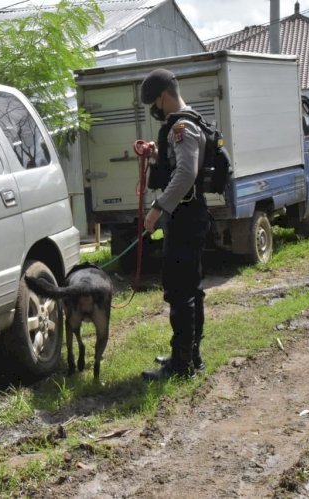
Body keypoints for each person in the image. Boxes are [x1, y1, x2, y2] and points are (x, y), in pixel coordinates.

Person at [139, 68, 210, 381]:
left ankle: (182, 365)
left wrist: (156, 209)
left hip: (184, 218)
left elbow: (185, 174)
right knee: (189, 290)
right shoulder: (189, 120)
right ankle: (188, 357)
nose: (153, 110)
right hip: (188, 216)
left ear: (162, 96)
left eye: (153, 103)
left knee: (181, 292)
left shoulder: (182, 126)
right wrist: (156, 154)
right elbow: (177, 165)